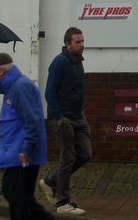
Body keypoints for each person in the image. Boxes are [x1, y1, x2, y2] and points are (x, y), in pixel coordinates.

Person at [0, 53, 52, 220]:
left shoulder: (20, 87)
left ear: (0, 70)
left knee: (17, 198)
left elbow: (33, 120)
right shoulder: (13, 88)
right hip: (17, 152)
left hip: (22, 154)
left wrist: (26, 148)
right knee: (18, 195)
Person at [39, 28, 90, 216]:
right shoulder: (59, 63)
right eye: (77, 42)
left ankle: (51, 181)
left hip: (78, 118)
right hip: (63, 119)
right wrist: (59, 118)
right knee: (67, 157)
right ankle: (62, 202)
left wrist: (81, 113)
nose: (82, 45)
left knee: (85, 154)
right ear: (68, 44)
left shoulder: (78, 62)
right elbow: (49, 93)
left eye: (82, 41)